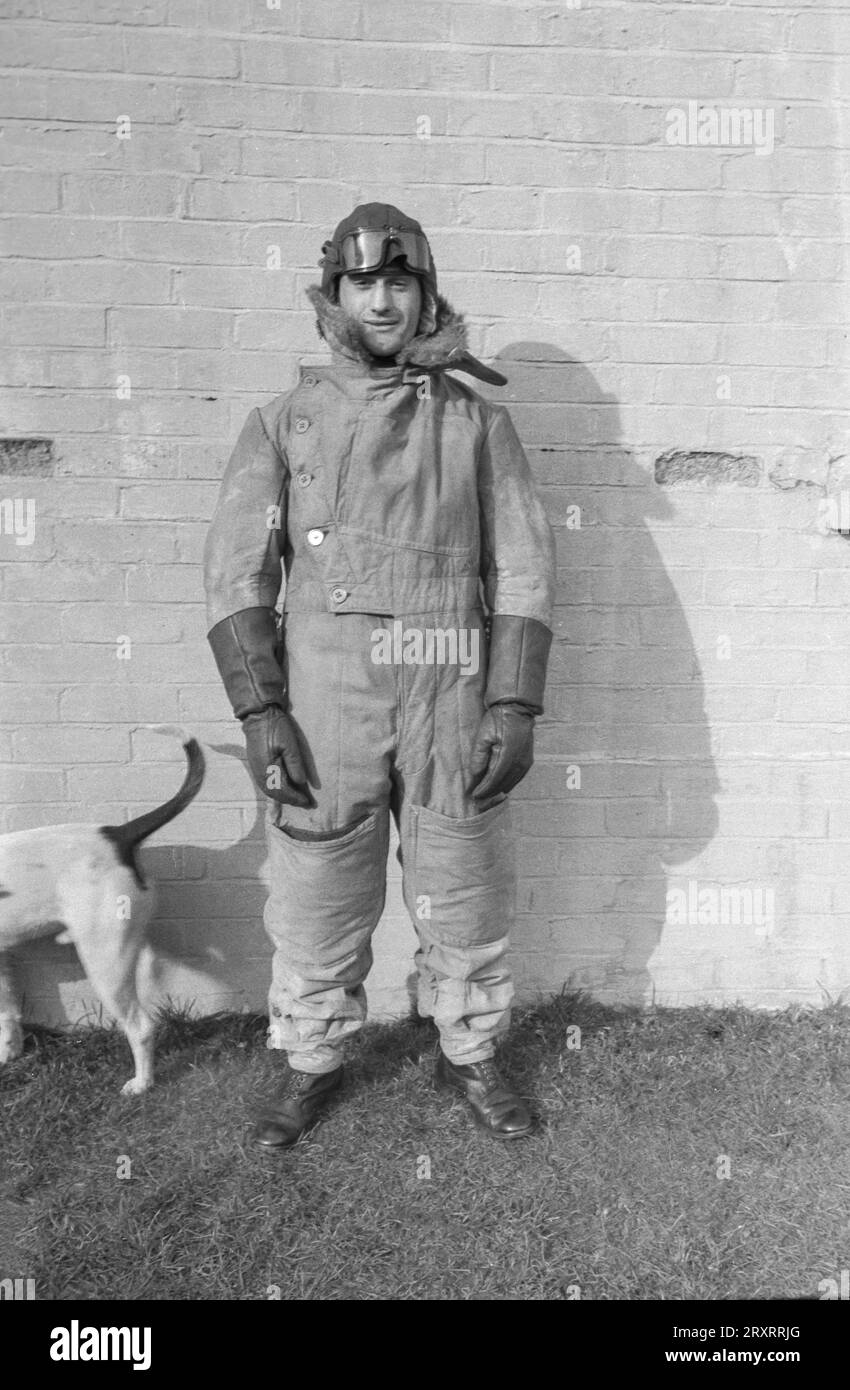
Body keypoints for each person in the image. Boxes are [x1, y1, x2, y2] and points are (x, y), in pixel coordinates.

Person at [203, 204, 556, 1148]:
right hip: (326, 689)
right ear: (335, 294)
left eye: (402, 282)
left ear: (425, 290)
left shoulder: (478, 424)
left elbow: (520, 565)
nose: (385, 300)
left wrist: (514, 700)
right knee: (319, 884)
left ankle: (471, 1052)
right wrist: (261, 711)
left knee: (464, 874)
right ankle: (312, 1058)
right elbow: (239, 570)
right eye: (365, 282)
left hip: (449, 679)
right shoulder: (283, 423)